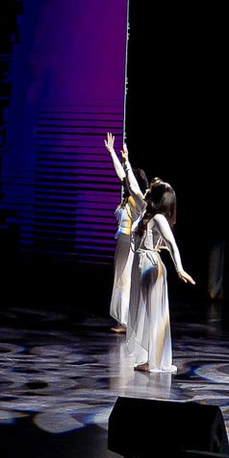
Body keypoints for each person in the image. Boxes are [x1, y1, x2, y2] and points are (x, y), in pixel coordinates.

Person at [120, 165, 196, 373]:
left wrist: (179, 268)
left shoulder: (158, 218)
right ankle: (149, 359)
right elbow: (133, 187)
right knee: (144, 311)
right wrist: (126, 163)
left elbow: (172, 244)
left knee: (153, 313)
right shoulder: (146, 211)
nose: (146, 190)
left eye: (151, 190)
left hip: (151, 266)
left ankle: (155, 361)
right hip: (141, 264)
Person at [104, 134, 146, 335]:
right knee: (120, 279)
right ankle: (122, 319)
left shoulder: (139, 201)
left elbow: (132, 183)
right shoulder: (128, 198)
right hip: (121, 241)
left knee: (125, 280)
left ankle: (126, 321)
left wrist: (127, 162)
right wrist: (112, 153)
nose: (126, 184)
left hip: (130, 242)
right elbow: (121, 175)